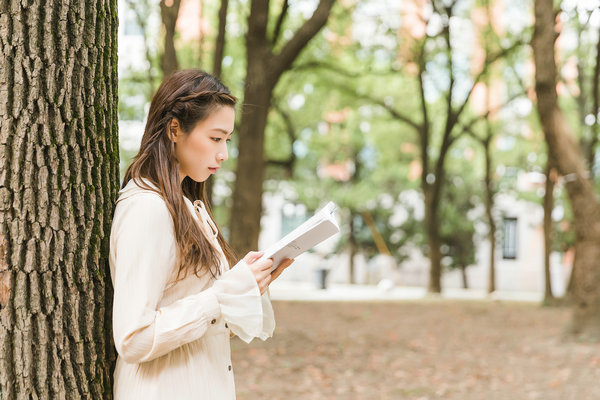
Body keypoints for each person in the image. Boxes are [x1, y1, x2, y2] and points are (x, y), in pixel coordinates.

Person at [109, 69, 293, 399]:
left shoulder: (188, 206)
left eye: (227, 140)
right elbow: (133, 338)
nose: (223, 153)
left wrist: (247, 284)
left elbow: (206, 319)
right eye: (215, 138)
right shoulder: (148, 209)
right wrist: (221, 295)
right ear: (174, 129)